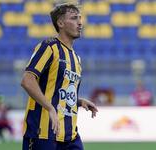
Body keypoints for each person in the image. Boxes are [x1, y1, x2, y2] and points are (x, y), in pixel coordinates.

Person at [20, 2, 98, 150]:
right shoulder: (49, 47)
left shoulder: (76, 58)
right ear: (60, 23)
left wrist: (79, 101)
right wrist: (50, 109)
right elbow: (27, 80)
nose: (80, 22)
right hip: (43, 131)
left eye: (80, 18)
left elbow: (58, 92)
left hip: (70, 134)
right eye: (74, 18)